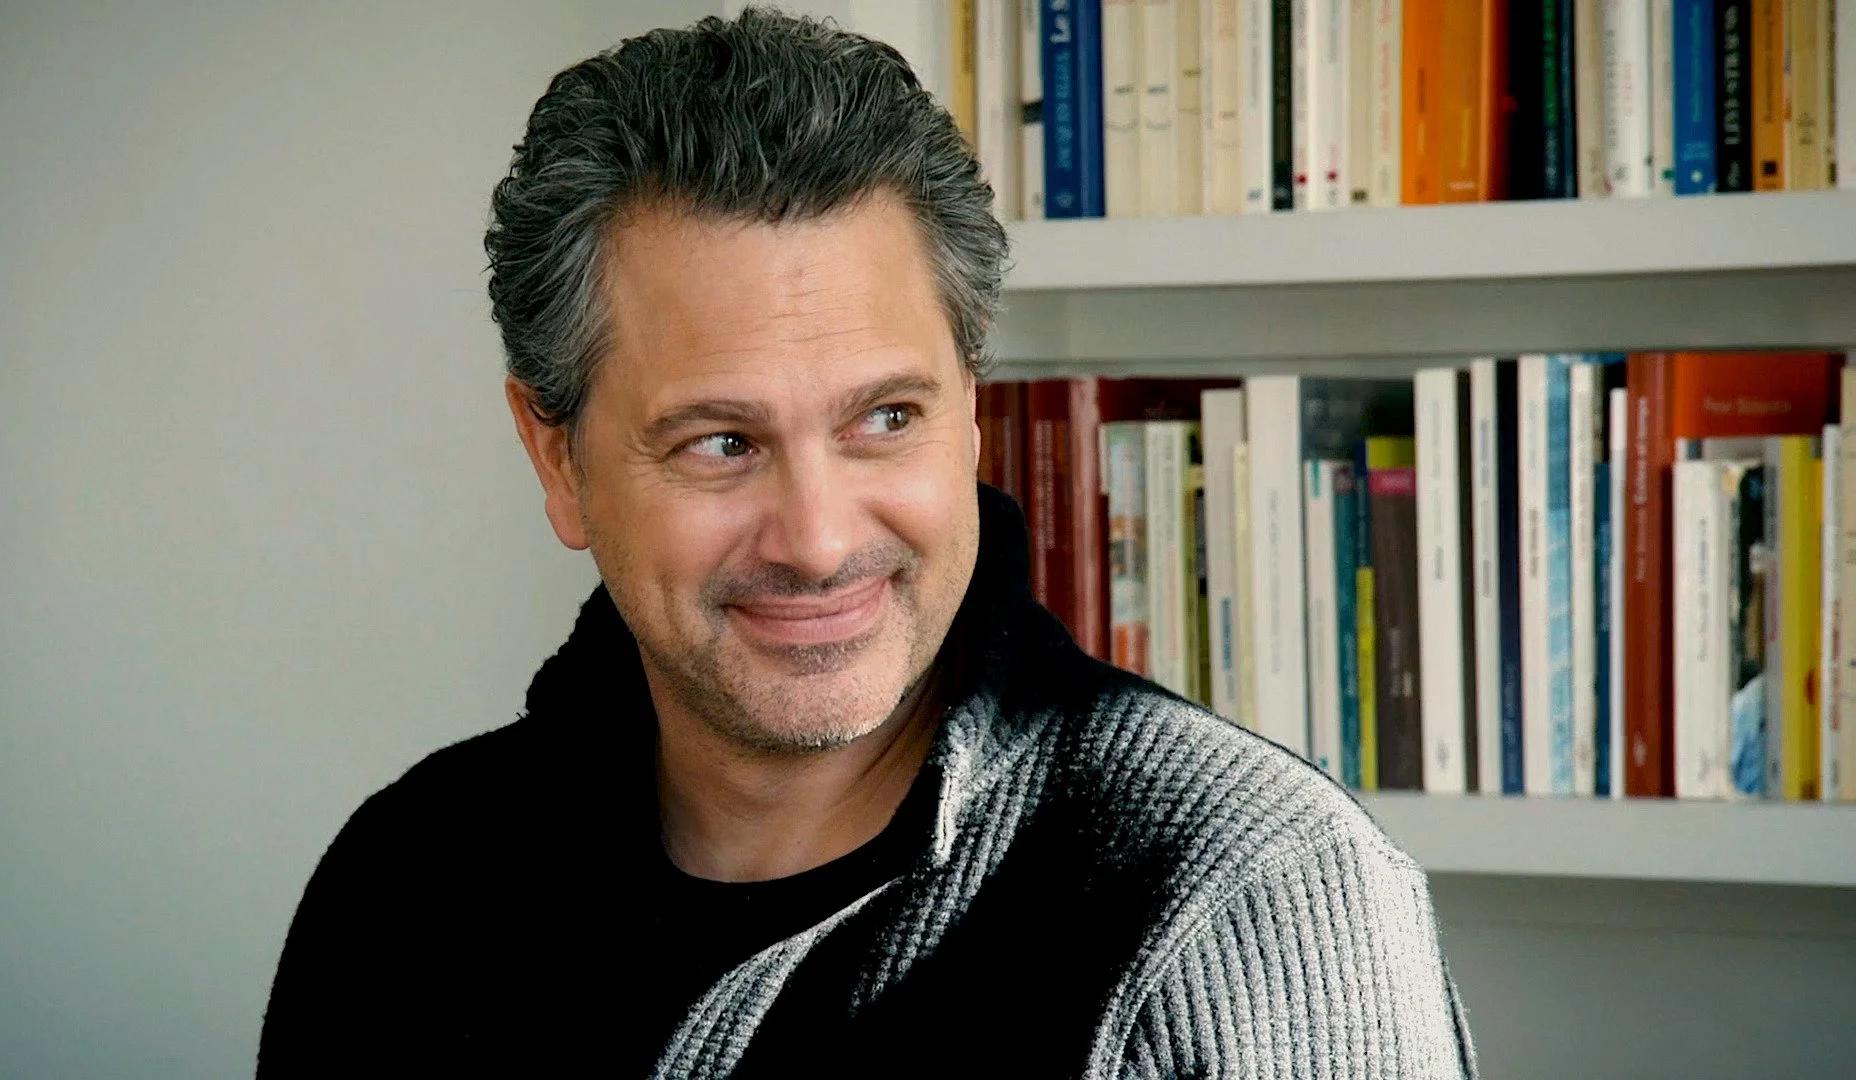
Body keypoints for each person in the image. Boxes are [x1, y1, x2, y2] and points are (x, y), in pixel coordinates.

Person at [256, 9, 1476, 1077]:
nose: (821, 539)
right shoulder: (402, 886)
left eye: (886, 419)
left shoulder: (1252, 903)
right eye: (720, 443)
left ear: (974, 407)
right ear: (555, 457)